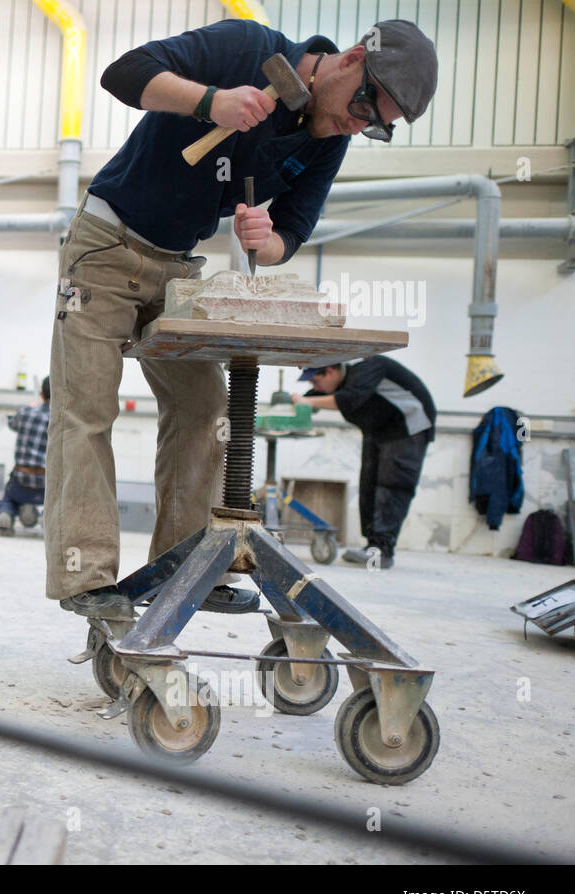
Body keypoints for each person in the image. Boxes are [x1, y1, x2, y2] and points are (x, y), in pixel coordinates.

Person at [45, 18, 438, 620]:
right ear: (352, 57)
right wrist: (211, 101)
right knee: (86, 410)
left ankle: (181, 569)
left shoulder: (330, 136)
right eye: (363, 105)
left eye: (376, 126)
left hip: (179, 268)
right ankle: (87, 578)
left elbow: (293, 229)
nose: (359, 124)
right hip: (105, 245)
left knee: (204, 409)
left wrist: (267, 237)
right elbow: (122, 73)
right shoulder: (247, 49)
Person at [292, 357, 437, 568]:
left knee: (392, 485)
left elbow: (349, 399)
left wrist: (308, 402)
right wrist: (294, 404)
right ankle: (372, 547)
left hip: (407, 429)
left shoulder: (369, 368)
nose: (314, 387)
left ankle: (382, 552)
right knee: (368, 486)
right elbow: (315, 397)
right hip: (378, 432)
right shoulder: (340, 383)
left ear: (330, 371)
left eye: (315, 381)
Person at [0, 376, 51, 536]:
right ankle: (48, 516)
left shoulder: (25, 412)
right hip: (46, 487)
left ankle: (6, 513)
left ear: (41, 393)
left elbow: (12, 424)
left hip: (20, 483)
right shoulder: (62, 419)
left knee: (6, 498)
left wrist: (28, 408)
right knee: (59, 500)